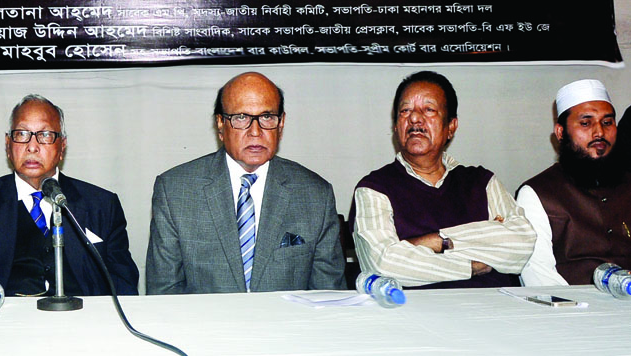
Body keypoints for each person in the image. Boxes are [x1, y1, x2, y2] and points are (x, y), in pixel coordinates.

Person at [146, 72, 345, 294]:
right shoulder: (175, 191)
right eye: (241, 117)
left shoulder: (315, 194)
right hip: (206, 327)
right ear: (221, 124)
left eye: (267, 117)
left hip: (286, 326)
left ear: (281, 124)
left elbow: (328, 296)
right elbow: (164, 294)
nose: (256, 132)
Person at [0, 95, 138, 300]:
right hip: (5, 323)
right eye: (22, 134)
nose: (32, 146)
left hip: (81, 321)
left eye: (45, 135)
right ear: (8, 145)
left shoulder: (102, 205)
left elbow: (124, 282)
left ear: (62, 147)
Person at [350, 71, 536, 288]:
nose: (415, 118)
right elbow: (382, 265)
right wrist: (471, 265)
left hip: (493, 309)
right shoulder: (373, 189)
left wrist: (438, 241)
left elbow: (522, 243)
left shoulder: (482, 182)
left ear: (451, 126)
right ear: (396, 126)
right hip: (411, 313)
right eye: (405, 110)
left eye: (428, 110)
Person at [518, 79, 631, 286]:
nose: (599, 133)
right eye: (586, 123)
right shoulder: (537, 194)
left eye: (607, 122)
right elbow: (539, 278)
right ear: (561, 132)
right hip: (574, 311)